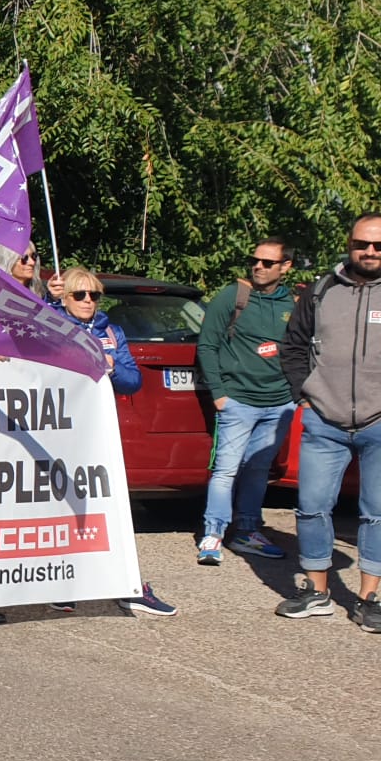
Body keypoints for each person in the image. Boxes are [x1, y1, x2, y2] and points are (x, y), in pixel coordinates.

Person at [37, 267, 177, 617]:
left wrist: (113, 367)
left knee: (108, 507)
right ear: (64, 298)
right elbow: (33, 333)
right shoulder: (54, 325)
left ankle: (128, 584)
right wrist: (47, 301)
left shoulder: (112, 331)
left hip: (100, 433)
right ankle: (62, 583)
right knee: (61, 506)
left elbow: (133, 381)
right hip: (59, 431)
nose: (87, 301)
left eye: (94, 295)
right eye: (79, 295)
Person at [276, 214, 381, 630]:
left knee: (376, 513)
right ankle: (317, 592)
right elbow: (294, 347)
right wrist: (306, 394)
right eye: (362, 244)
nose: (370, 252)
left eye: (378, 246)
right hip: (325, 420)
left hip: (378, 423)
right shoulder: (321, 291)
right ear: (350, 243)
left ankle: (370, 599)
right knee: (312, 507)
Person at [193, 237, 297, 564]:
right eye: (255, 260)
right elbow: (207, 345)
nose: (258, 267)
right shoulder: (234, 296)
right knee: (226, 470)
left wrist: (296, 394)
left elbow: (302, 350)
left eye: (268, 263)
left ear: (285, 267)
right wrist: (220, 394)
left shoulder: (292, 304)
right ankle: (213, 533)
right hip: (238, 401)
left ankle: (248, 532)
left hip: (279, 404)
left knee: (257, 470)